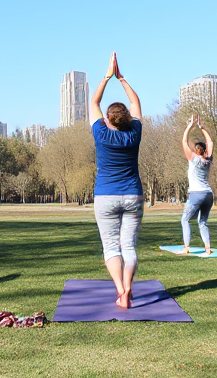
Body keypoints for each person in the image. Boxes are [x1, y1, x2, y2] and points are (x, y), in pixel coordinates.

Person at [89, 52, 144, 309]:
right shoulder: (135, 132)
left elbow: (93, 102)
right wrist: (122, 78)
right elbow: (136, 101)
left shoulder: (101, 133)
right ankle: (129, 286)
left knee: (111, 246)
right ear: (127, 119)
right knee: (129, 246)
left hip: (105, 197)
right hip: (133, 195)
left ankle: (121, 291)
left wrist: (106, 77)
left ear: (107, 120)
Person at [175, 114, 214, 254]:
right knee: (202, 222)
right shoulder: (208, 159)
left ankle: (186, 248)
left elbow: (184, 142)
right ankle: (208, 248)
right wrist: (202, 128)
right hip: (209, 194)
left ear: (196, 151)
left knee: (184, 220)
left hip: (197, 194)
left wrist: (189, 126)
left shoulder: (193, 158)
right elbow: (210, 143)